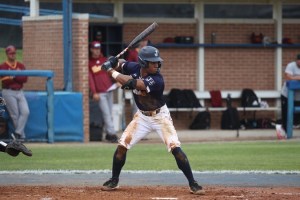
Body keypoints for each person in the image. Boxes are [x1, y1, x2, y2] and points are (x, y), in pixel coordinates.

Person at [100, 46, 205, 195]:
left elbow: (134, 83)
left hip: (160, 117)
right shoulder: (135, 67)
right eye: (153, 62)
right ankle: (114, 180)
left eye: (157, 62)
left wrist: (111, 70)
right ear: (143, 63)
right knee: (122, 146)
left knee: (176, 148)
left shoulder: (157, 80)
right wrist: (113, 61)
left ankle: (193, 183)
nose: (157, 65)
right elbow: (122, 63)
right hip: (142, 117)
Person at [88, 41, 118, 143]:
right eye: (95, 49)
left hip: (109, 90)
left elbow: (112, 72)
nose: (97, 51)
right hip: (100, 93)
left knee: (110, 113)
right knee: (106, 114)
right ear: (91, 49)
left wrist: (118, 81)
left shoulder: (104, 60)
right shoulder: (89, 63)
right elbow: (90, 79)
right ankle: (112, 134)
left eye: (98, 49)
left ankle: (108, 134)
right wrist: (94, 92)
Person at [0, 45, 29, 141]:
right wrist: (17, 75)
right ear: (7, 54)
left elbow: (24, 79)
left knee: (25, 112)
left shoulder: (20, 65)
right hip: (8, 91)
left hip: (19, 91)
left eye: (14, 53)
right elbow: (5, 81)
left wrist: (13, 76)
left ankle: (17, 134)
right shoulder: (3, 66)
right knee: (15, 115)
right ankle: (22, 137)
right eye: (10, 53)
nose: (13, 55)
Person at [279, 53, 300, 137]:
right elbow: (288, 77)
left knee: (296, 116)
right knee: (286, 114)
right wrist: (298, 78)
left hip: (298, 97)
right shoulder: (291, 65)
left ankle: (294, 126)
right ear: (297, 60)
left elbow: (292, 77)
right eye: (299, 61)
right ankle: (285, 132)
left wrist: (294, 77)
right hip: (287, 95)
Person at [126, 40, 148, 117]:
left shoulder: (144, 54)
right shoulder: (133, 53)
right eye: (144, 41)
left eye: (146, 41)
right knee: (137, 104)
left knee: (145, 104)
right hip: (136, 80)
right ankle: (136, 122)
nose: (145, 43)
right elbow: (128, 67)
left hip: (144, 81)